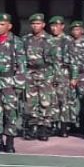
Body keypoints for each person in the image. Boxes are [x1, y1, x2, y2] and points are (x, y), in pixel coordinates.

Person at [0, 14, 26, 153]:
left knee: (11, 111)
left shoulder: (16, 42)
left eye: (2, 24)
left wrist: (19, 83)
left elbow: (22, 63)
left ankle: (9, 141)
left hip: (10, 81)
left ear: (9, 26)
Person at [22, 13, 56, 141]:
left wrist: (54, 77)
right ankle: (33, 127)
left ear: (43, 25)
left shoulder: (49, 40)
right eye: (33, 24)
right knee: (30, 102)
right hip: (30, 73)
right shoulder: (25, 39)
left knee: (45, 102)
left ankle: (44, 128)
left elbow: (55, 60)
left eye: (38, 24)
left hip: (45, 73)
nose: (35, 26)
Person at [47, 16, 75, 137]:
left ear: (62, 26)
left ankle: (64, 127)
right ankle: (53, 125)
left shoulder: (68, 40)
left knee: (64, 101)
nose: (54, 28)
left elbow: (74, 61)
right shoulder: (48, 40)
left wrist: (74, 77)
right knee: (51, 101)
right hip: (50, 74)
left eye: (57, 26)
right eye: (52, 26)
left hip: (64, 74)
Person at [69, 20, 84, 133]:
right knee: (70, 100)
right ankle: (72, 124)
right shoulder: (69, 43)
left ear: (82, 31)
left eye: (78, 29)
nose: (75, 31)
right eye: (73, 29)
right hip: (70, 75)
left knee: (83, 100)